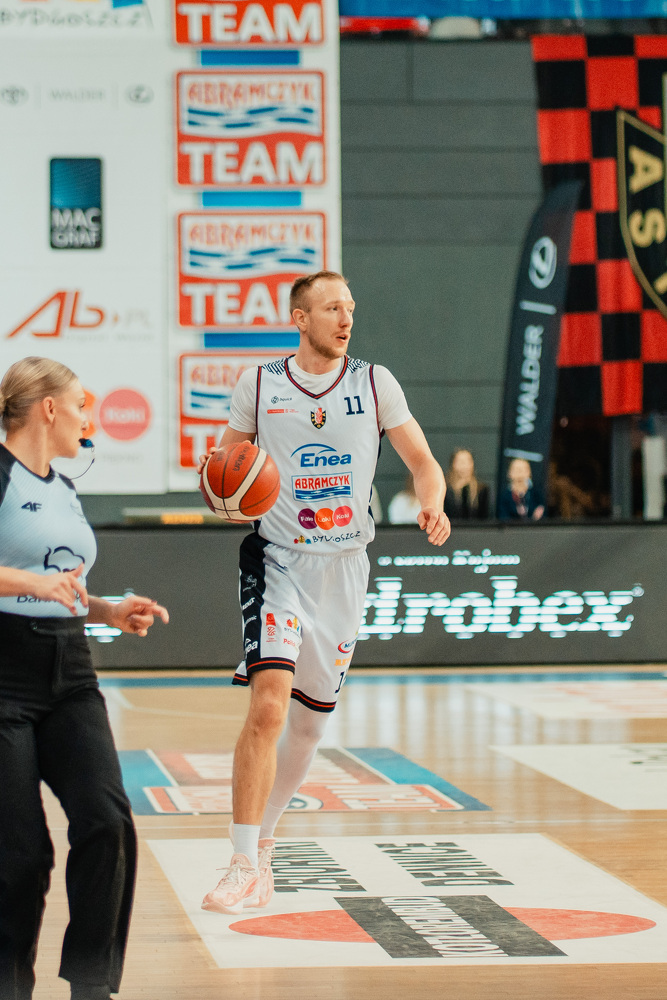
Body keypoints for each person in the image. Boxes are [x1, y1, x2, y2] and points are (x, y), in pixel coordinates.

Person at [198, 271, 450, 914]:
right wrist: (221, 489)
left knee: (309, 727)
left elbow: (424, 463)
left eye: (351, 308)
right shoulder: (259, 384)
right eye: (333, 308)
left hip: (344, 568)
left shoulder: (375, 383)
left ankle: (265, 845)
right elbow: (227, 467)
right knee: (269, 708)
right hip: (277, 562)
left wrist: (433, 502)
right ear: (300, 317)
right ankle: (240, 862)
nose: (346, 318)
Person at [0, 357, 169, 1000]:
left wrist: (107, 609)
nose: (87, 420)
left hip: (70, 668)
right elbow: (34, 579)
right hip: (4, 673)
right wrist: (31, 582)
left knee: (108, 824)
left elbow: (63, 585)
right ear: (48, 408)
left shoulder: (65, 487)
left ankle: (92, 986)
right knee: (21, 855)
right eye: (80, 406)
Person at [443, 448, 489, 520]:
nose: (463, 466)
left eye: (467, 461)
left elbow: (485, 517)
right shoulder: (445, 490)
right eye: (460, 462)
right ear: (453, 464)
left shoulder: (481, 489)